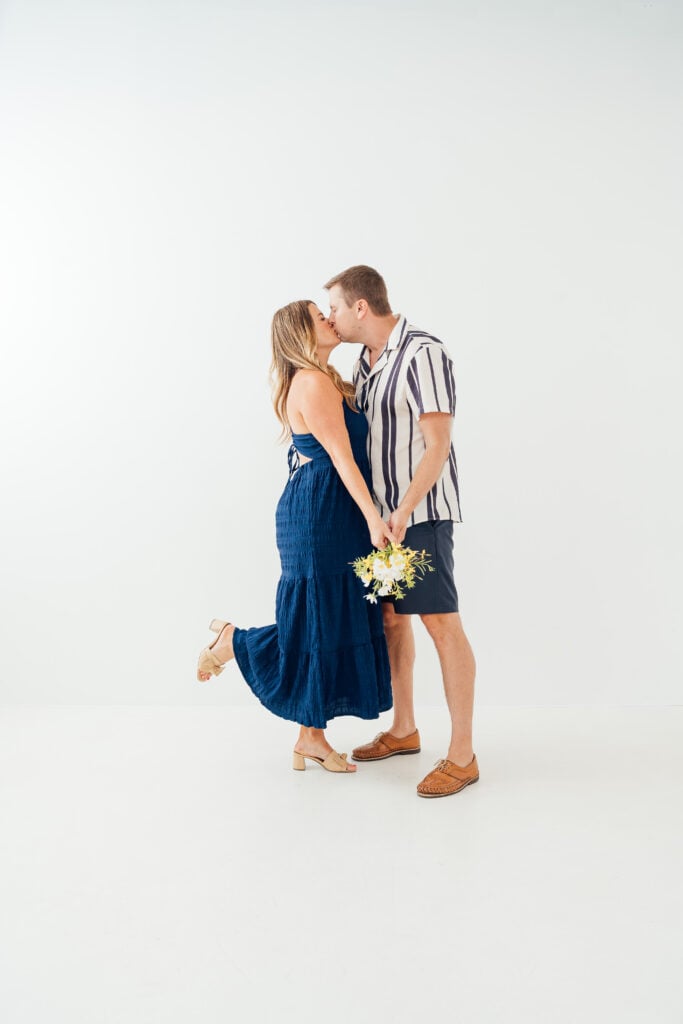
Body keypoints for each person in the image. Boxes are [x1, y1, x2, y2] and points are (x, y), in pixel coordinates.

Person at [196, 299, 395, 774]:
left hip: (330, 508)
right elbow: (342, 458)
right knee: (317, 619)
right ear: (301, 334)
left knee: (321, 620)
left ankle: (310, 737)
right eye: (319, 317)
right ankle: (234, 642)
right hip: (321, 513)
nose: (330, 319)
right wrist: (373, 518)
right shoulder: (311, 382)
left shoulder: (323, 379)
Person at [325, 266, 478, 798]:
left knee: (441, 625)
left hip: (421, 514)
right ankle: (404, 729)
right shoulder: (363, 364)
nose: (331, 318)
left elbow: (438, 445)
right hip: (382, 523)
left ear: (360, 306)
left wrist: (406, 509)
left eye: (335, 308)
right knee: (392, 620)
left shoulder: (423, 353)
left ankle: (462, 756)